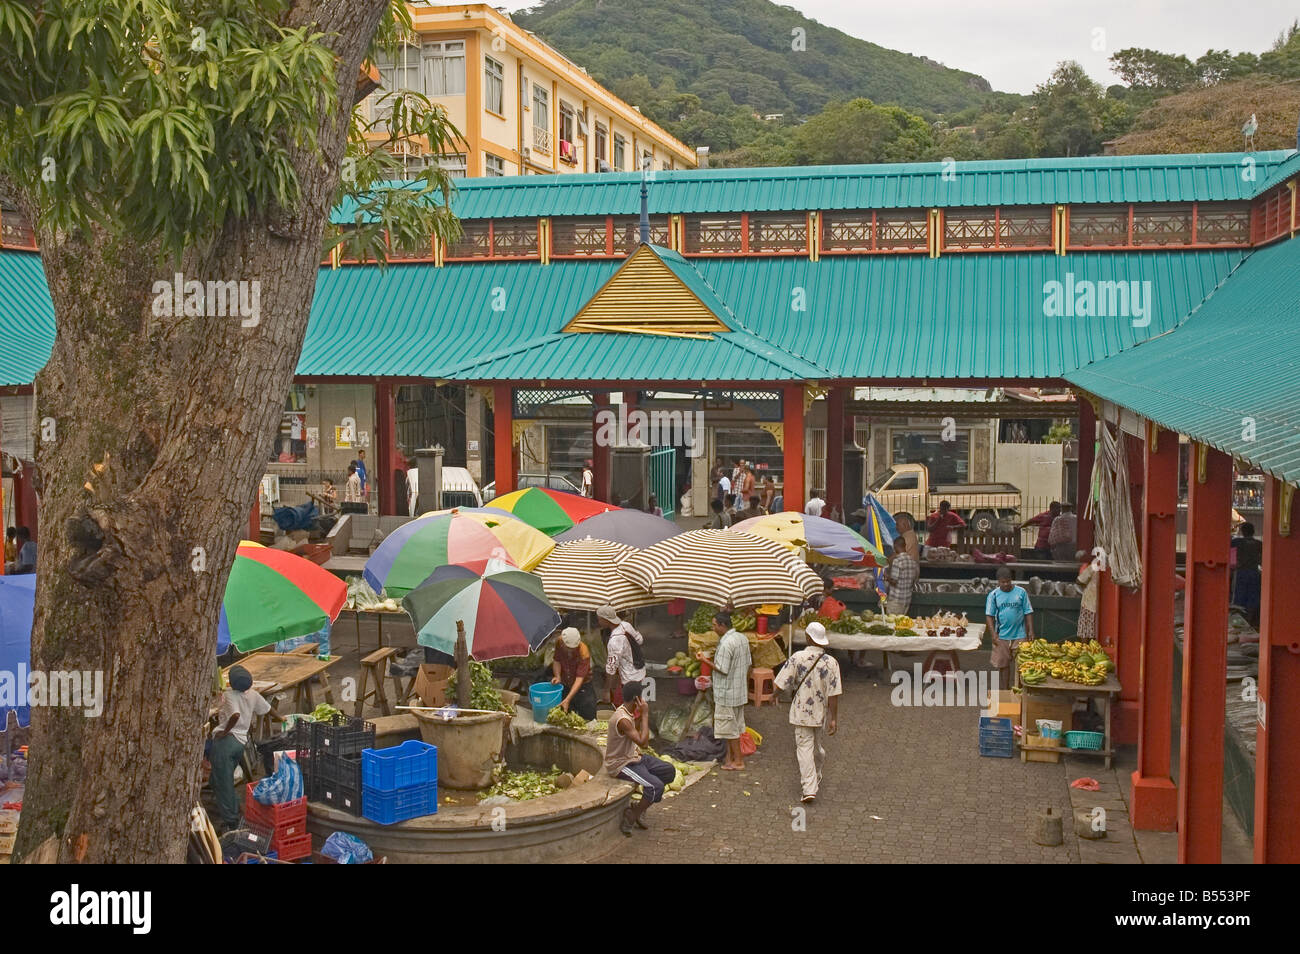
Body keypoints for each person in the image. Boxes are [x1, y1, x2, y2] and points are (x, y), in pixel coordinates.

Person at [773, 621, 841, 804]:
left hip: (801, 713)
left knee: (804, 749)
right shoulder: (832, 663)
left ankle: (809, 789)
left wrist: (774, 696)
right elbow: (834, 695)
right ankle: (814, 779)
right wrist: (834, 718)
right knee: (815, 747)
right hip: (820, 714)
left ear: (808, 637)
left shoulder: (797, 657)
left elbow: (780, 683)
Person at [210, 664, 281, 833]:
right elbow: (269, 709)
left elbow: (235, 715)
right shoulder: (254, 694)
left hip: (226, 743)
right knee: (218, 778)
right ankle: (226, 804)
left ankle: (231, 821)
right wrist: (281, 717)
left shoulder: (229, 696)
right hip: (240, 743)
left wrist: (224, 731)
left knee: (224, 782)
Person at [604, 681, 675, 834]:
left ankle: (639, 806)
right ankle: (632, 815)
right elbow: (644, 742)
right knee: (655, 787)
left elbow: (638, 742)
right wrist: (645, 714)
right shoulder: (622, 719)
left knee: (669, 771)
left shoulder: (629, 713)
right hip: (621, 764)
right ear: (637, 699)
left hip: (634, 758)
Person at [707, 610, 752, 771]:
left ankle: (738, 761)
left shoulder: (726, 644)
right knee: (735, 726)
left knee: (730, 729)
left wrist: (704, 660)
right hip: (739, 690)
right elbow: (748, 664)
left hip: (726, 692)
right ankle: (729, 757)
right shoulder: (742, 638)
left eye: (714, 625)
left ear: (722, 625)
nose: (713, 628)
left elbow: (722, 669)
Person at [985, 566, 1034, 686]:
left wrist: (1031, 630)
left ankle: (1020, 689)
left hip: (1020, 635)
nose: (1006, 584)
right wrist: (993, 635)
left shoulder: (1021, 592)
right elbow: (989, 616)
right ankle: (1005, 689)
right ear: (998, 582)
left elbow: (1028, 612)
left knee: (1022, 665)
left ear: (1011, 580)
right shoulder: (993, 595)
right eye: (1003, 582)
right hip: (1002, 636)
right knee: (1003, 665)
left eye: (1008, 581)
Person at [598, 605, 645, 704]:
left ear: (606, 620)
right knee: (636, 701)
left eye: (600, 619)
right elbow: (640, 640)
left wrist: (606, 691)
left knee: (625, 705)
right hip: (640, 670)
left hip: (629, 677)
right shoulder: (626, 625)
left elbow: (611, 669)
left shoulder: (614, 641)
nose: (598, 622)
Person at [551, 626, 597, 721]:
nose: (570, 650)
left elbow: (579, 678)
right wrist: (558, 676)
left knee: (587, 714)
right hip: (566, 682)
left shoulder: (583, 652)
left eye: (573, 648)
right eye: (568, 648)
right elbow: (556, 660)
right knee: (565, 714)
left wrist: (568, 699)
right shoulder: (559, 642)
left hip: (583, 685)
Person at [1231, 522, 1262, 627]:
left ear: (1242, 532)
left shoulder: (1237, 542)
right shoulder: (1259, 544)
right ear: (1253, 532)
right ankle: (1251, 621)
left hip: (1241, 573)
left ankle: (1239, 622)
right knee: (1253, 597)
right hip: (1254, 573)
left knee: (1238, 597)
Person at [883, 537, 919, 615]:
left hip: (896, 601)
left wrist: (886, 576)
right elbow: (914, 580)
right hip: (906, 600)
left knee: (892, 624)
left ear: (895, 546)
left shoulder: (897, 561)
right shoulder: (912, 561)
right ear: (904, 546)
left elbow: (894, 581)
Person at [1074, 549, 1099, 641]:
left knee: (1085, 630)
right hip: (1103, 606)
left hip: (1090, 602)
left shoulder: (1095, 566)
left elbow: (1079, 580)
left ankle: (1084, 649)